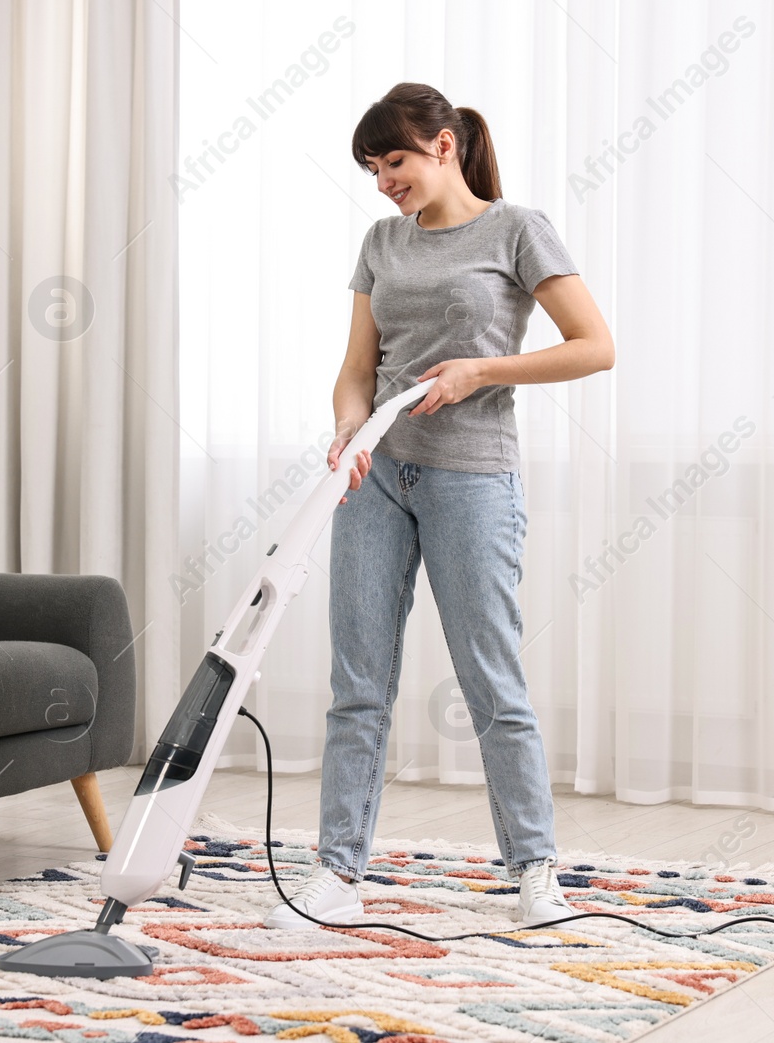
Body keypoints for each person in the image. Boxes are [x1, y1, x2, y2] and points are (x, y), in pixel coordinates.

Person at [263, 82, 615, 930]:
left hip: (472, 478)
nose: (384, 181)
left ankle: (535, 870)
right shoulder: (382, 242)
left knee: (492, 679)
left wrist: (477, 370)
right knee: (358, 684)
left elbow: (594, 347)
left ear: (444, 145)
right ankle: (337, 873)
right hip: (377, 478)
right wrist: (349, 430)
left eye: (395, 162)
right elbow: (358, 365)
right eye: (373, 169)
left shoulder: (517, 229)